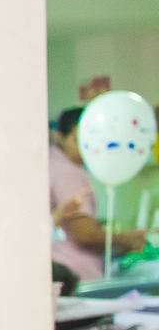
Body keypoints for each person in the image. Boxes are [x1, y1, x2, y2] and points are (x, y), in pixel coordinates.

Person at [51, 106, 146, 281]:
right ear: (60, 137)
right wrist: (129, 240)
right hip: (75, 271)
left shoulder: (53, 164)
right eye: (78, 141)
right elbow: (84, 236)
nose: (85, 148)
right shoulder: (68, 173)